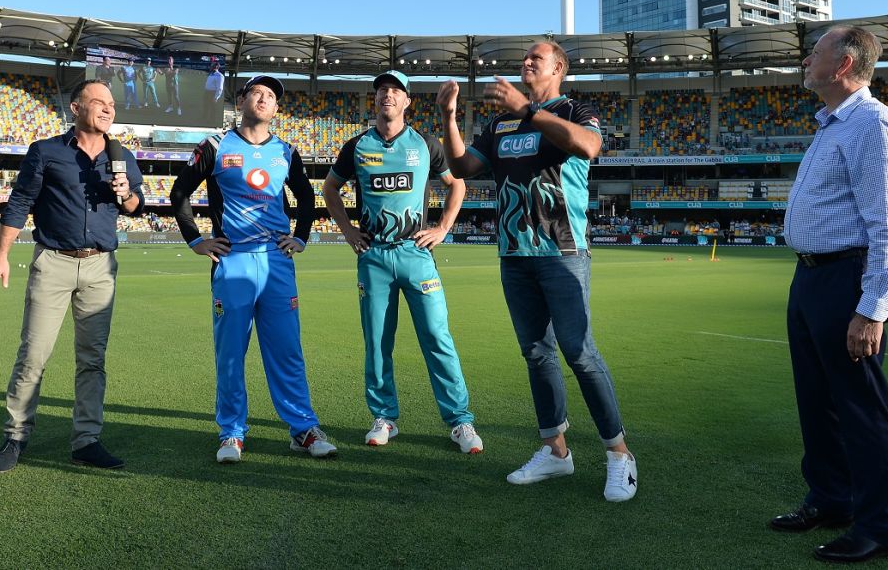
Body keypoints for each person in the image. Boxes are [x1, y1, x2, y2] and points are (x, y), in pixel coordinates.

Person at [437, 41, 637, 502]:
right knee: (536, 353)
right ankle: (556, 451)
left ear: (559, 68)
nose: (527, 62)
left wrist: (528, 110)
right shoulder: (499, 123)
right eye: (524, 58)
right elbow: (464, 165)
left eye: (537, 58)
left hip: (562, 251)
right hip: (514, 253)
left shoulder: (575, 108)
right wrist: (449, 119)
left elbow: (587, 146)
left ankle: (619, 455)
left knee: (579, 353)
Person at [772, 26, 888, 563]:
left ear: (844, 63)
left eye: (817, 53)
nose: (806, 59)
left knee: (859, 408)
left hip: (846, 278)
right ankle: (832, 500)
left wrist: (872, 309)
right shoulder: (831, 125)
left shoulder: (875, 126)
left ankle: (880, 526)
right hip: (810, 277)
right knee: (817, 402)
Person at [170, 75, 337, 464]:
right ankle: (231, 432)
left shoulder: (286, 150)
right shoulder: (215, 146)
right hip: (232, 261)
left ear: (276, 109)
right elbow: (180, 192)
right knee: (231, 352)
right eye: (257, 93)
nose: (263, 99)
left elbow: (307, 196)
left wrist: (300, 237)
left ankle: (303, 429)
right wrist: (196, 240)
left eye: (271, 97)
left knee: (287, 351)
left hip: (277, 262)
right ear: (241, 100)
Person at [0, 78, 144, 473]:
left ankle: (86, 440)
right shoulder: (46, 152)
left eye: (111, 105)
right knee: (33, 355)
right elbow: (20, 202)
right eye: (100, 102)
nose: (108, 109)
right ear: (75, 108)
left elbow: (136, 206)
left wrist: (125, 193)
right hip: (53, 261)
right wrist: (1, 256)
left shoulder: (121, 154)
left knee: (92, 359)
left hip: (100, 266)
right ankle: (16, 436)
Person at [322, 70, 482, 454]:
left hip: (417, 255)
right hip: (373, 256)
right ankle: (384, 418)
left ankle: (460, 421)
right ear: (374, 100)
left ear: (408, 101)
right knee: (377, 343)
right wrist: (347, 231)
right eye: (381, 90)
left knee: (437, 338)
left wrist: (443, 227)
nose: (387, 95)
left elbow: (457, 182)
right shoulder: (358, 145)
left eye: (395, 90)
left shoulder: (426, 143)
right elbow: (329, 188)